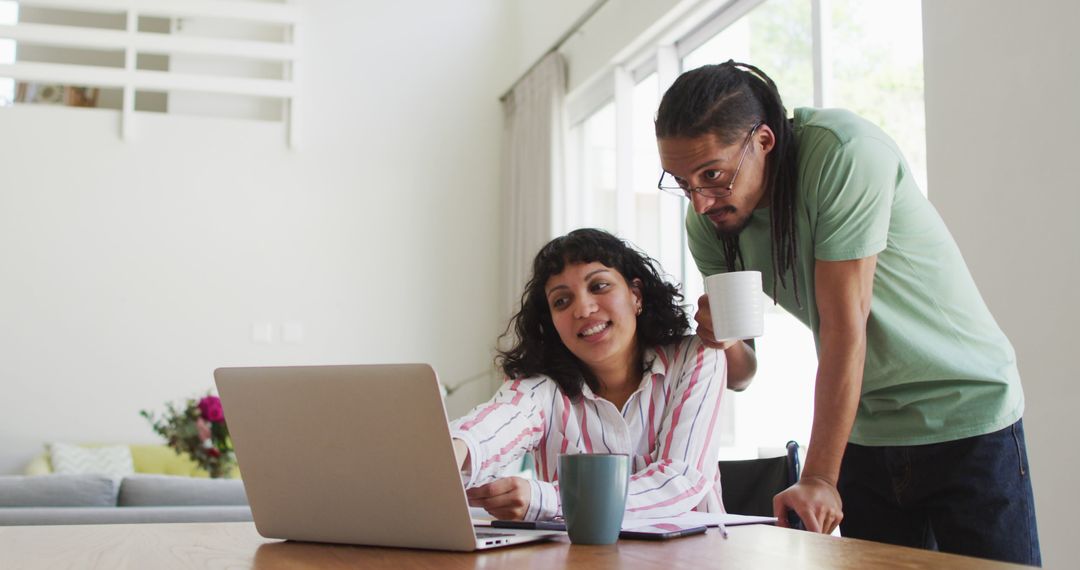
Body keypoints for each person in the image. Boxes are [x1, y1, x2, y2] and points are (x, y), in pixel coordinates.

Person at [653, 60, 1040, 565]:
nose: (700, 202)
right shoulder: (711, 221)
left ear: (764, 140)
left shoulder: (843, 154)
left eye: (713, 175)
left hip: (965, 415)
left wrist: (816, 478)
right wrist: (720, 342)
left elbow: (843, 329)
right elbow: (744, 372)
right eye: (683, 182)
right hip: (863, 430)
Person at [449, 228, 754, 521]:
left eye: (599, 286)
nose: (582, 308)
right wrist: (455, 448)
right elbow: (497, 423)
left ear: (636, 295)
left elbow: (680, 480)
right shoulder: (541, 389)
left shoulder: (696, 357)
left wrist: (552, 500)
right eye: (561, 301)